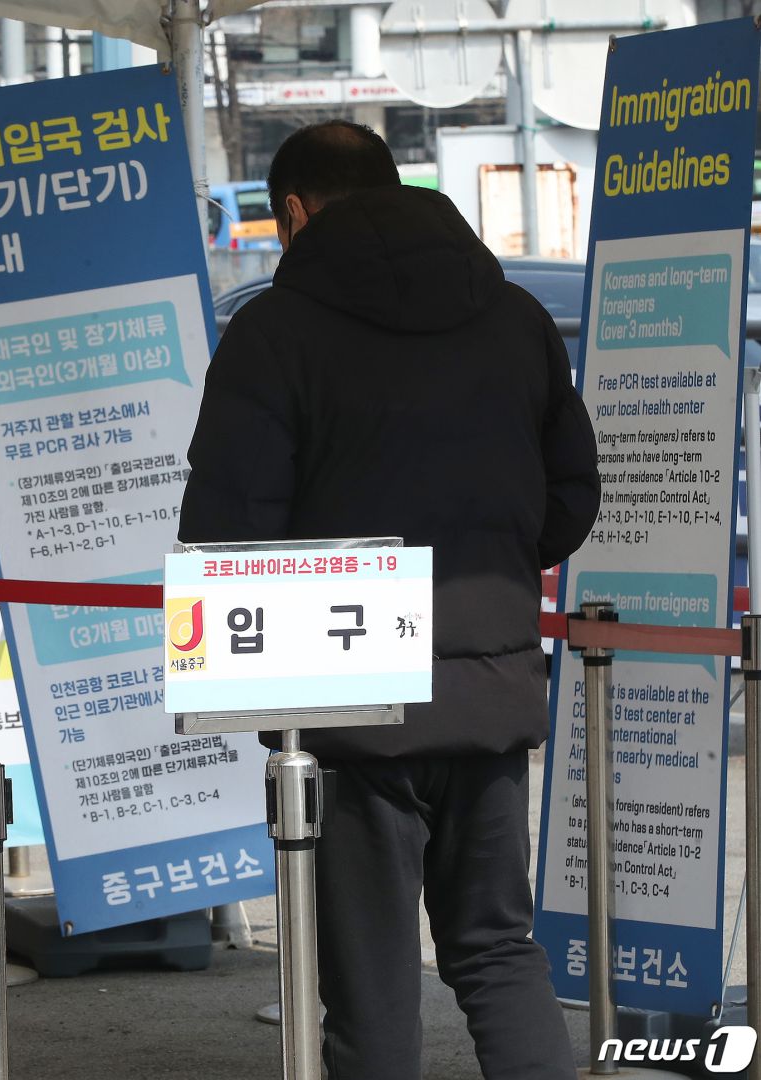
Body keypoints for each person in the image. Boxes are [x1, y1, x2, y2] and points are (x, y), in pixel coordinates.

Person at [179, 120, 600, 1080]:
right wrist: (488, 567)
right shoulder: (515, 317)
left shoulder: (274, 334)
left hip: (346, 706)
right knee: (498, 951)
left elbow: (227, 533)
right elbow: (571, 498)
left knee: (369, 992)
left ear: (293, 214)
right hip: (488, 694)